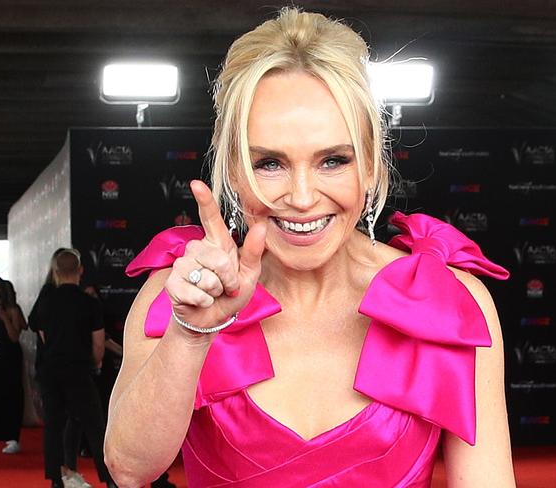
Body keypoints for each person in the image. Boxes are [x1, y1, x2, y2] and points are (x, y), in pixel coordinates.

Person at [105, 7, 515, 487]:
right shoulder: (178, 298)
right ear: (234, 171)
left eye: (333, 161)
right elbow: (129, 468)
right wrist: (190, 334)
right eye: (270, 163)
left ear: (373, 166)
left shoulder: (449, 305)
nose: (301, 198)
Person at [32, 249, 116, 488]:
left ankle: (57, 480)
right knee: (95, 426)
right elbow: (99, 344)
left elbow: (44, 335)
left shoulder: (46, 301)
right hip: (79, 370)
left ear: (56, 272)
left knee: (54, 426)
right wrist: (94, 364)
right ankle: (109, 479)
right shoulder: (89, 303)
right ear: (80, 270)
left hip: (51, 371)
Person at [0, 276, 27, 454]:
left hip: (9, 358)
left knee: (11, 394)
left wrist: (4, 317)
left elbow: (14, 336)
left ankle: (12, 436)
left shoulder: (13, 310)